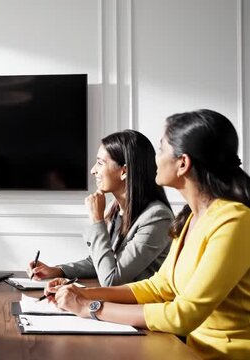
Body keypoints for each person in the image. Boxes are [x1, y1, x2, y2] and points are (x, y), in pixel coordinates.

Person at [47, 109, 250, 360]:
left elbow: (183, 315)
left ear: (183, 163)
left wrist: (89, 307)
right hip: (186, 349)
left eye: (161, 150)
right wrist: (83, 293)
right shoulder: (190, 218)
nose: (154, 160)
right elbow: (158, 287)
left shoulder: (234, 221)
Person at [28, 130, 173, 286]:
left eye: (100, 163)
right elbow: (101, 261)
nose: (93, 170)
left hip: (141, 307)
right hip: (118, 303)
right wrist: (58, 270)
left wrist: (97, 220)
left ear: (124, 171)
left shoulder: (157, 217)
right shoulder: (116, 208)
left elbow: (112, 279)